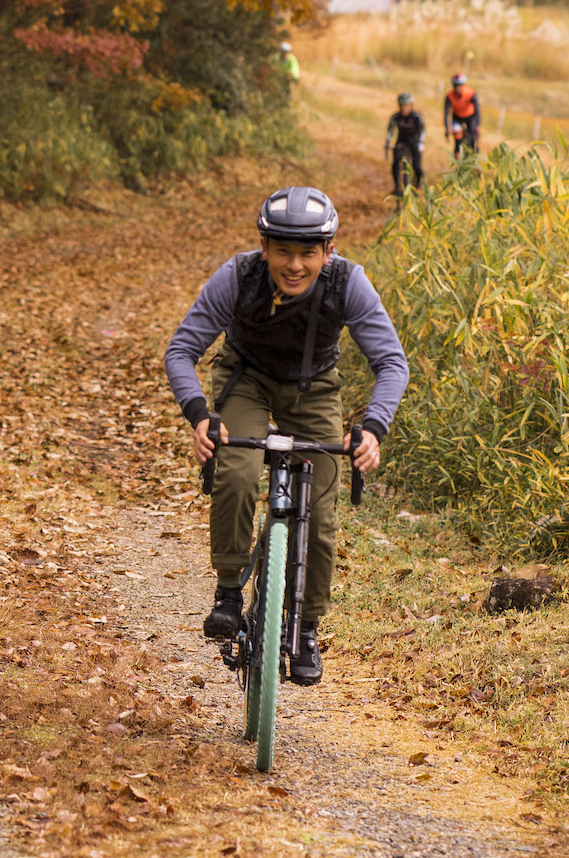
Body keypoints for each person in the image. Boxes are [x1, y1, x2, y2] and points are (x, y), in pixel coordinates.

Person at [163, 186, 409, 686]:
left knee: (319, 509)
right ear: (264, 247)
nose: (294, 265)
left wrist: (373, 430)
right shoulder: (238, 276)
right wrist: (200, 416)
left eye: (307, 253)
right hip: (245, 380)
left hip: (313, 387)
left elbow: (391, 362)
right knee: (237, 470)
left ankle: (307, 626)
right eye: (283, 252)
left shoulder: (348, 283)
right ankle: (229, 590)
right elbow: (182, 350)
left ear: (329, 252)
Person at [384, 92, 425, 197]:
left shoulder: (417, 116)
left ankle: (418, 183)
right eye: (402, 106)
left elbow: (422, 130)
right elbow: (390, 131)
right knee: (395, 163)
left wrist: (421, 143)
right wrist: (388, 142)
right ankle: (396, 186)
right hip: (401, 141)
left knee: (417, 165)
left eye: (406, 106)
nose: (404, 108)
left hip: (414, 141)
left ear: (411, 105)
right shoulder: (395, 117)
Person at [443, 72, 480, 153]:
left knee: (473, 136)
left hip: (470, 116)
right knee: (457, 134)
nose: (457, 88)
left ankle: (476, 156)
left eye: (459, 85)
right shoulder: (449, 96)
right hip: (457, 117)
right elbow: (446, 114)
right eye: (455, 85)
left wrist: (477, 125)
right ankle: (457, 156)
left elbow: (477, 110)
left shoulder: (471, 93)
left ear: (463, 85)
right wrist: (447, 128)